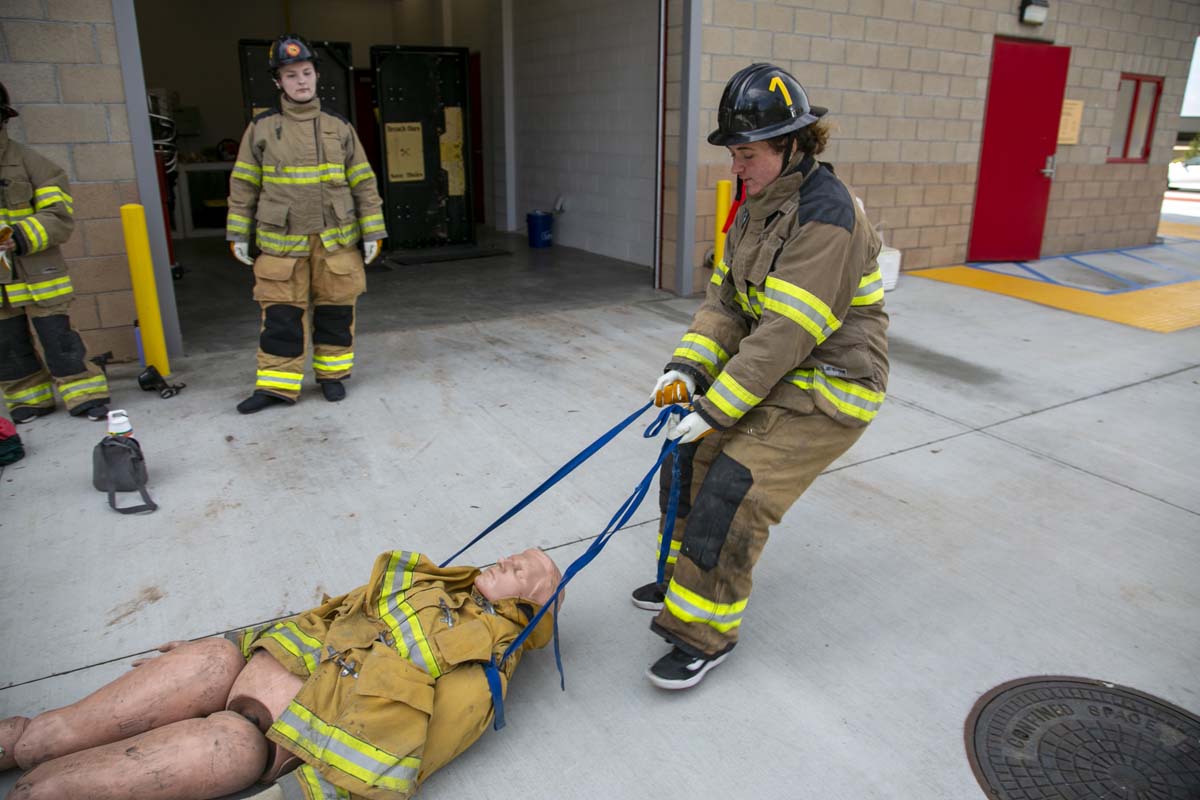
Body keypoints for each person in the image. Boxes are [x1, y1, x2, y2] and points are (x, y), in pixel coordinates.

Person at [634, 63, 889, 690]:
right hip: (777, 372)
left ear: (792, 144)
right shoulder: (756, 208)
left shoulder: (828, 217)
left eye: (746, 154)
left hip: (829, 386)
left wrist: (714, 408)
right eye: (733, 153)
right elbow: (725, 303)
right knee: (686, 460)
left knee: (735, 487)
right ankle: (682, 583)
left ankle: (702, 633)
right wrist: (686, 368)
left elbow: (785, 334)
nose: (735, 167)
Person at [2, 548, 561, 800]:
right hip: (240, 666)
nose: (506, 559)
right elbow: (329, 614)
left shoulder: (482, 667)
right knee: (44, 735)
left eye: (522, 569)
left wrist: (297, 796)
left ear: (533, 603)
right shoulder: (432, 582)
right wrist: (234, 642)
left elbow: (418, 751)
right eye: (514, 554)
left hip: (257, 737)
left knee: (49, 790)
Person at [227, 34, 387, 414]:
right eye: (291, 75)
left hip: (335, 241)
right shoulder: (261, 128)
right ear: (278, 82)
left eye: (306, 73)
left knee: (336, 312)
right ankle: (276, 387)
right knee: (281, 316)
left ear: (316, 75)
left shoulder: (339, 127)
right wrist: (238, 233)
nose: (301, 81)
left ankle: (332, 376)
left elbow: (363, 182)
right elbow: (243, 184)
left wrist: (373, 230)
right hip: (283, 243)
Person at [0, 82, 111, 424]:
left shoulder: (31, 163)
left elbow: (59, 217)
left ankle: (85, 395)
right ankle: (29, 400)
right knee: (7, 345)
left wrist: (18, 236)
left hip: (38, 276)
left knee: (59, 338)